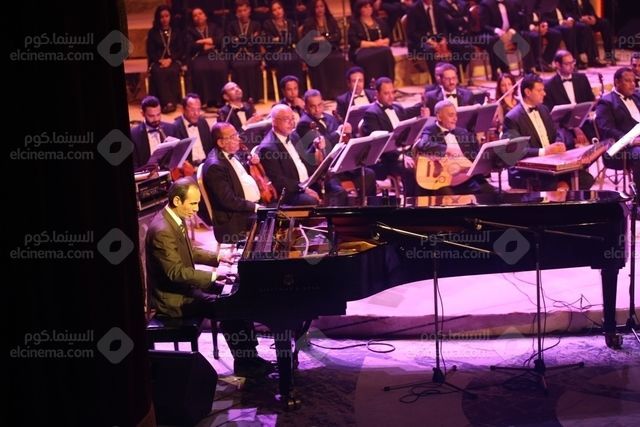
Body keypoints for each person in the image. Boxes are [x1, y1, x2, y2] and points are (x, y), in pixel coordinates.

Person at [146, 177, 272, 377]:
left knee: (237, 292)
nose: (197, 209)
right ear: (177, 201)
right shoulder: (162, 231)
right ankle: (245, 363)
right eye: (193, 203)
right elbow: (175, 273)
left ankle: (250, 357)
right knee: (230, 305)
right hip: (173, 300)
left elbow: (190, 251)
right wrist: (214, 275)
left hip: (185, 288)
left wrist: (218, 257)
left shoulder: (173, 217)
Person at [502, 74, 594, 191]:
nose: (544, 93)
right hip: (528, 170)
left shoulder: (544, 109)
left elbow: (556, 133)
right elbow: (515, 151)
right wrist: (544, 151)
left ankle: (563, 190)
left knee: (586, 179)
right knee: (555, 184)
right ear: (528, 92)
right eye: (539, 90)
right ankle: (562, 190)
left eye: (543, 90)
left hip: (552, 164)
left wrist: (558, 144)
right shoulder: (511, 118)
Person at [296, 89, 377, 203]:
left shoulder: (330, 117)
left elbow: (343, 138)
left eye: (319, 105)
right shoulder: (304, 124)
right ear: (306, 107)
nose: (317, 109)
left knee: (369, 174)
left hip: (341, 164)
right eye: (312, 106)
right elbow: (321, 145)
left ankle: (370, 208)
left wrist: (348, 132)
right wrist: (338, 133)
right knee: (338, 191)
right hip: (326, 171)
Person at [361, 77, 428, 196]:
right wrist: (401, 156)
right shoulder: (371, 114)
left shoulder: (397, 108)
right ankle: (412, 202)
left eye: (392, 92)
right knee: (411, 170)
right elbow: (379, 145)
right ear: (377, 94)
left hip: (406, 153)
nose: (391, 96)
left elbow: (409, 123)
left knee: (429, 164)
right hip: (388, 159)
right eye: (386, 93)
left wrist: (423, 106)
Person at [415, 100, 496, 195]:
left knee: (495, 195)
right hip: (445, 182)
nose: (455, 119)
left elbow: (476, 156)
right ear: (439, 117)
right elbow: (423, 144)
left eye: (456, 115)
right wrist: (446, 150)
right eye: (451, 115)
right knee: (449, 199)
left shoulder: (463, 132)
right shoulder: (430, 130)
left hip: (468, 178)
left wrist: (484, 166)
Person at [202, 123, 263, 244]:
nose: (238, 139)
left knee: (279, 209)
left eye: (236, 134)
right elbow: (228, 201)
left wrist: (249, 163)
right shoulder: (215, 167)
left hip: (245, 207)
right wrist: (255, 207)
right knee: (273, 218)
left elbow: (236, 176)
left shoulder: (228, 153)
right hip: (235, 218)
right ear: (221, 143)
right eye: (233, 136)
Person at [257, 104, 321, 205]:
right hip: (291, 192)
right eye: (286, 119)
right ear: (274, 121)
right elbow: (278, 181)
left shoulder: (293, 135)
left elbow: (303, 160)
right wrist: (303, 188)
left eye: (292, 118)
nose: (291, 123)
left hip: (306, 183)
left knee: (333, 186)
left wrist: (315, 147)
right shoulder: (268, 148)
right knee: (310, 201)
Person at [595, 67, 640, 194]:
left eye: (633, 81)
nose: (632, 84)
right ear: (617, 82)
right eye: (628, 81)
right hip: (620, 148)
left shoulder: (637, 97)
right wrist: (631, 141)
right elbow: (607, 129)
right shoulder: (606, 102)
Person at [405, 0, 473, 84]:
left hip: (438, 38)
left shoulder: (438, 6)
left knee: (465, 46)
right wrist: (428, 40)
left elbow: (444, 26)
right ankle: (436, 82)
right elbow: (411, 32)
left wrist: (444, 39)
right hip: (420, 40)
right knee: (430, 50)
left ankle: (454, 75)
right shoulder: (413, 9)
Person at [300, 0, 348, 100]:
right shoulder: (309, 22)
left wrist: (324, 39)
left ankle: (338, 92)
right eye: (317, 7)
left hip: (331, 50)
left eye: (321, 6)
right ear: (313, 9)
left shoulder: (331, 20)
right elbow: (308, 40)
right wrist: (325, 39)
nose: (320, 9)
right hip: (315, 51)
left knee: (339, 59)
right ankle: (324, 94)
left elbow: (337, 36)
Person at [185, 7, 228, 109]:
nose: (198, 17)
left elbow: (220, 40)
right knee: (200, 69)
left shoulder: (214, 27)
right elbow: (191, 46)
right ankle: (204, 101)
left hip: (214, 55)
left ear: (205, 16)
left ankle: (219, 100)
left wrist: (202, 41)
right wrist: (208, 44)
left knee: (220, 68)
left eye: (200, 14)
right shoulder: (189, 31)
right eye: (195, 15)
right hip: (199, 56)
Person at [146, 5, 185, 114]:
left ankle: (171, 102)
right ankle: (168, 103)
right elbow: (150, 51)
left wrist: (170, 60)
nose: (164, 19)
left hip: (174, 60)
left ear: (170, 17)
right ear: (158, 18)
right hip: (157, 61)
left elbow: (181, 49)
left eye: (167, 16)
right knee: (158, 72)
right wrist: (160, 61)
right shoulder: (152, 32)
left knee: (172, 71)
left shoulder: (177, 31)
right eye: (161, 17)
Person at [224, 0, 263, 102]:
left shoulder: (256, 24)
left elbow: (256, 41)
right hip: (237, 55)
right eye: (240, 11)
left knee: (252, 65)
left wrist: (240, 40)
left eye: (245, 10)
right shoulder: (232, 25)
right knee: (239, 66)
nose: (242, 13)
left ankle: (254, 97)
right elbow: (231, 42)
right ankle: (240, 97)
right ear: (236, 13)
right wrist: (249, 39)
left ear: (249, 10)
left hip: (252, 54)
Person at [347, 0, 395, 84]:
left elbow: (389, 37)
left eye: (370, 6)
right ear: (359, 9)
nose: (368, 9)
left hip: (380, 48)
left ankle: (387, 82)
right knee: (368, 57)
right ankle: (370, 84)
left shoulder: (379, 21)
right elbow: (355, 42)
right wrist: (374, 44)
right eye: (365, 7)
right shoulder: (355, 24)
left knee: (386, 52)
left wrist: (384, 41)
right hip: (362, 50)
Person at [130, 95, 177, 169]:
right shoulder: (134, 134)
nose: (156, 119)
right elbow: (134, 165)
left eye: (158, 114)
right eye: (151, 116)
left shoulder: (171, 128)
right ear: (142, 113)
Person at [173, 93, 214, 165]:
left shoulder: (203, 122)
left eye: (198, 109)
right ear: (183, 109)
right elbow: (176, 156)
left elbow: (210, 146)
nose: (196, 113)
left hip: (206, 163)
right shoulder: (175, 127)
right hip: (189, 166)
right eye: (192, 110)